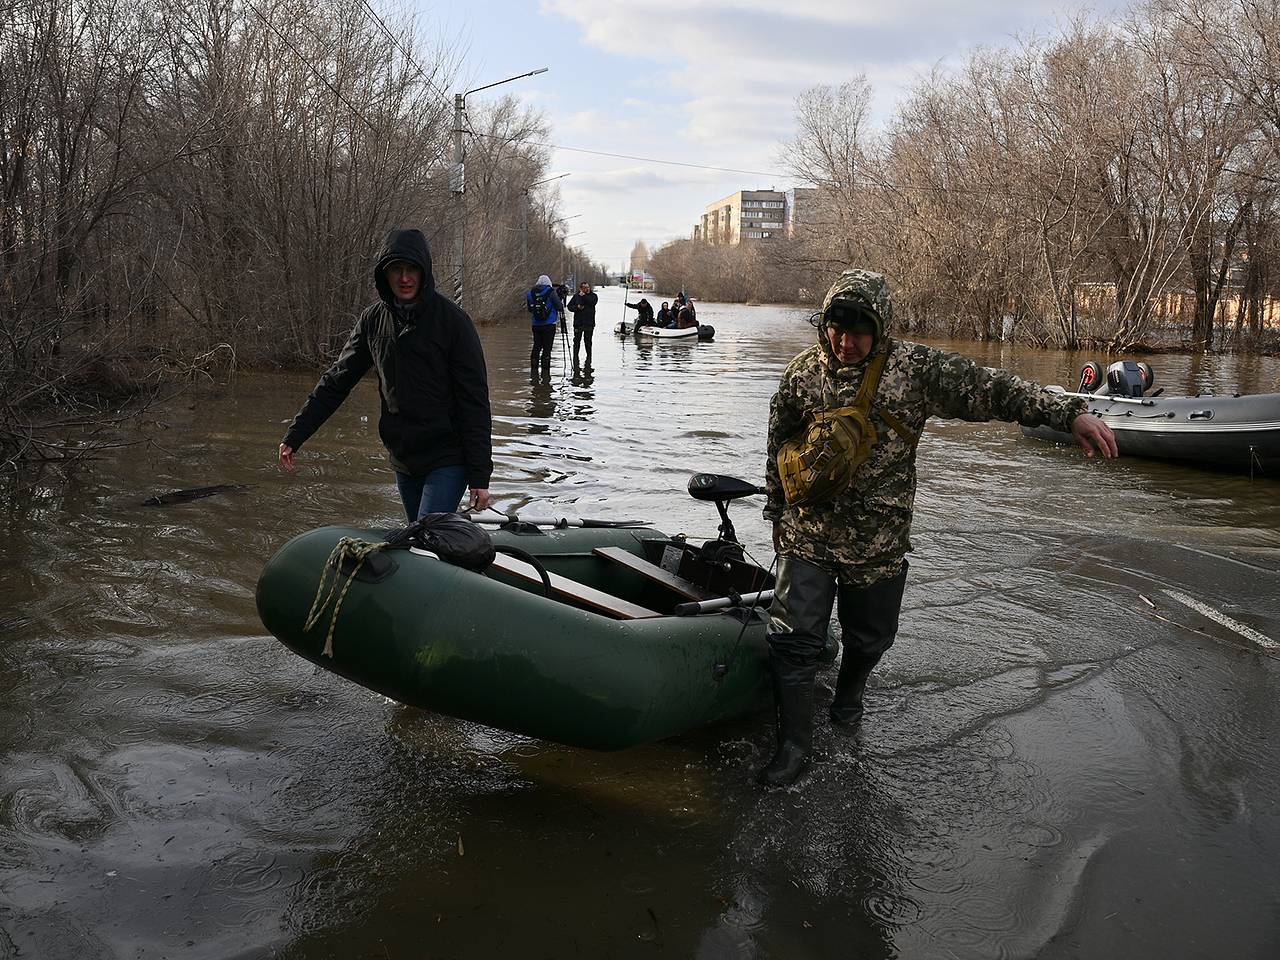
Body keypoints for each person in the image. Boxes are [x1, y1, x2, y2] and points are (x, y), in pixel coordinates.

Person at [758, 268, 1117, 787]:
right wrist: (775, 514)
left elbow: (993, 389)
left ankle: (849, 698)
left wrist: (1069, 414)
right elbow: (778, 447)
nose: (845, 341)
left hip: (878, 545)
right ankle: (792, 749)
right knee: (792, 641)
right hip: (807, 535)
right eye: (836, 326)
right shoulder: (800, 375)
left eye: (859, 330)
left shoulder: (915, 370)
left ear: (880, 327)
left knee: (870, 639)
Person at [278, 228, 492, 521]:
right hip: (403, 456)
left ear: (424, 272)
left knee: (426, 537)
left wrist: (480, 476)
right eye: (396, 270)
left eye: (412, 269)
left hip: (447, 455)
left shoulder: (453, 322)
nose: (404, 278)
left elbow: (475, 401)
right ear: (385, 274)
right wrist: (296, 433)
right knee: (416, 533)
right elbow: (336, 381)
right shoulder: (372, 321)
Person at [527, 274, 564, 369]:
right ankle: (545, 373)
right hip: (549, 324)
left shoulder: (530, 292)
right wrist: (560, 297)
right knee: (547, 348)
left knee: (536, 346)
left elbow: (530, 309)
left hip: (535, 325)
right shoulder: (551, 292)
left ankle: (534, 370)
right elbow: (559, 307)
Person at [567, 281, 599, 367]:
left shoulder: (593, 296)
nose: (587, 289)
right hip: (578, 323)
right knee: (576, 341)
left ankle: (589, 359)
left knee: (588, 342)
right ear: (581, 288)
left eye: (588, 287)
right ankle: (575, 359)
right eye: (585, 287)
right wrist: (576, 308)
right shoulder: (576, 296)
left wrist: (584, 296)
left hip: (589, 323)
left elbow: (592, 302)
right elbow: (569, 306)